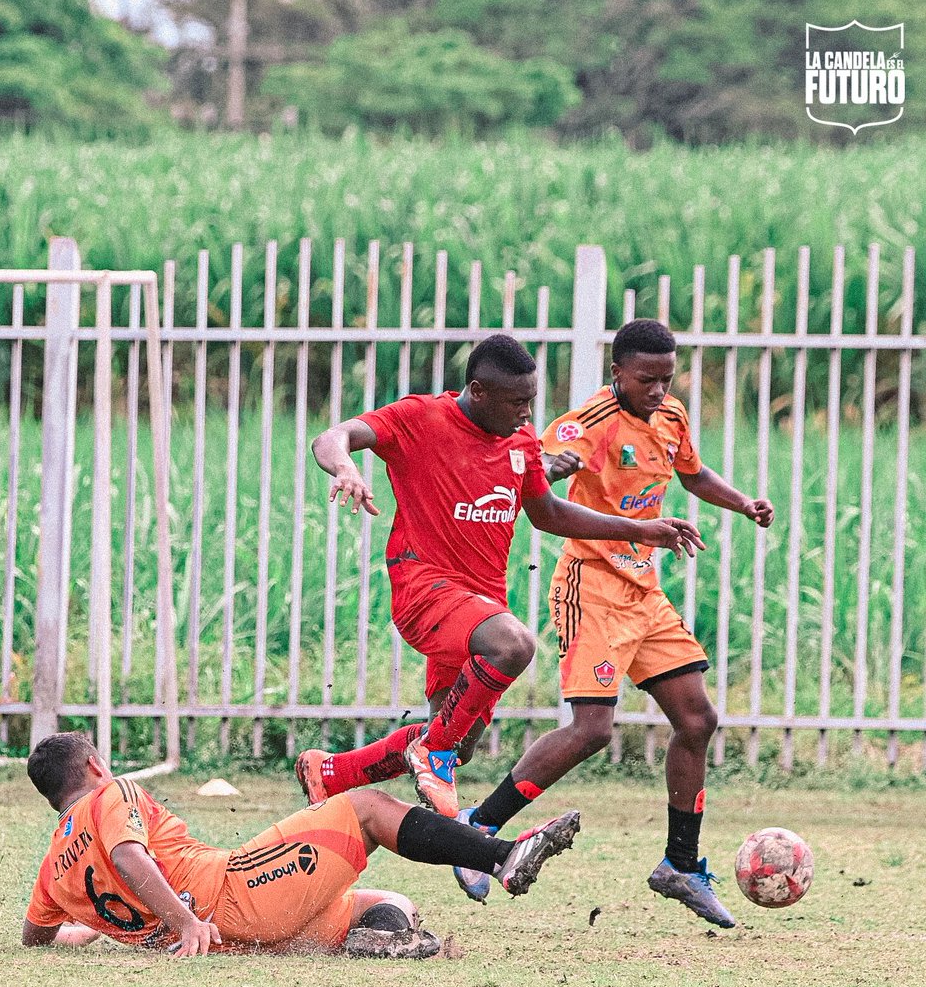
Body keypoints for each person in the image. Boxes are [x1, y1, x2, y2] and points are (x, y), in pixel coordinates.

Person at [296, 333, 703, 820]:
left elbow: (548, 513)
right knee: (513, 645)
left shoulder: (521, 440)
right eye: (517, 403)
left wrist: (640, 529)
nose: (528, 415)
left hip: (479, 604)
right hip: (424, 588)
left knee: (456, 737)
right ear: (478, 391)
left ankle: (333, 773)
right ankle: (433, 757)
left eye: (531, 402)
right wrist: (346, 469)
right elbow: (331, 437)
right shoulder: (420, 418)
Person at [452, 319, 774, 927]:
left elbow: (692, 473)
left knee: (697, 718)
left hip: (643, 592)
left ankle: (680, 863)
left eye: (666, 379)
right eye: (646, 379)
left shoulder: (672, 416)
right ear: (617, 373)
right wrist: (550, 465)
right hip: (591, 588)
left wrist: (742, 502)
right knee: (594, 729)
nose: (657, 390)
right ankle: (479, 828)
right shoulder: (591, 422)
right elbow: (535, 462)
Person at [21, 731, 581, 959]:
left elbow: (36, 939)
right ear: (95, 765)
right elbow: (128, 856)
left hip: (240, 937)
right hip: (233, 897)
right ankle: (501, 857)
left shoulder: (52, 868)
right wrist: (186, 921)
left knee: (392, 905)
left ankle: (381, 943)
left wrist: (96, 931)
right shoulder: (110, 795)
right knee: (364, 808)